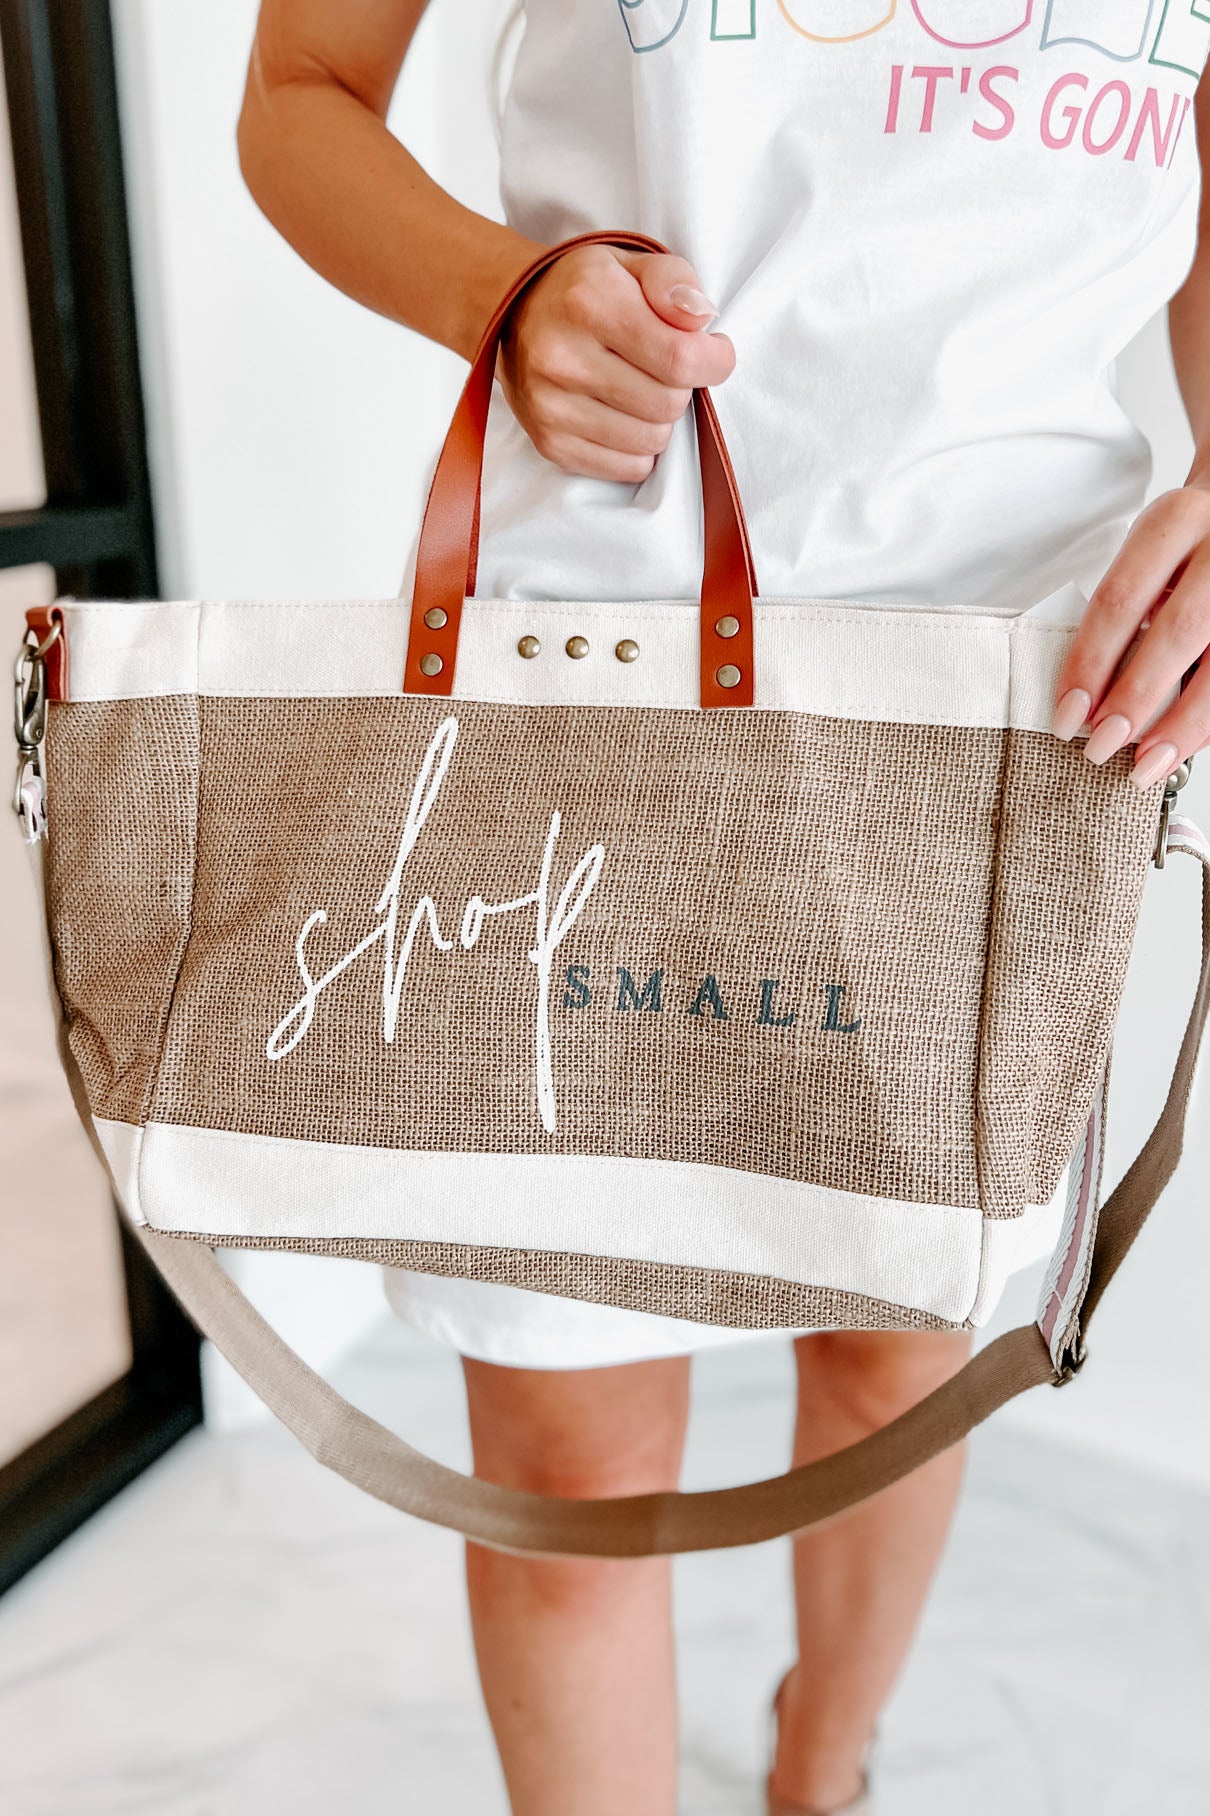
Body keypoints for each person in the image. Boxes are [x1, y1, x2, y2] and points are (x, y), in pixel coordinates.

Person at [235, 5, 1210, 1810]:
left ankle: (819, 1772)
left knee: (897, 1355)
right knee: (566, 1450)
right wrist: (502, 294)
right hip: (587, 671)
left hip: (1019, 699)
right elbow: (300, 94)